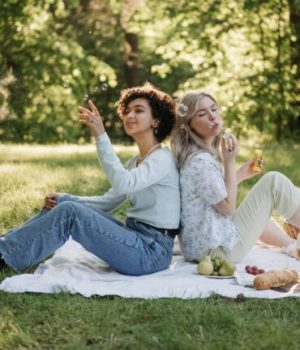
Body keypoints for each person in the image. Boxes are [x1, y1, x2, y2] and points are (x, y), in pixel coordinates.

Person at [0, 83, 180, 276]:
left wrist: (101, 137)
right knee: (62, 204)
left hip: (151, 252)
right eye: (127, 111)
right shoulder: (135, 162)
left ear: (156, 120)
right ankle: (5, 246)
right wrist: (65, 198)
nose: (129, 116)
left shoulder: (162, 158)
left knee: (71, 212)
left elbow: (123, 183)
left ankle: (5, 255)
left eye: (139, 110)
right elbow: (108, 202)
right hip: (136, 237)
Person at [171, 91, 300, 263]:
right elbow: (227, 207)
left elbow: (215, 196)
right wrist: (229, 162)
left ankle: (292, 246)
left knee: (260, 209)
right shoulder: (200, 162)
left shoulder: (198, 156)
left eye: (214, 109)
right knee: (274, 182)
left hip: (207, 247)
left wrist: (240, 174)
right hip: (218, 252)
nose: (211, 116)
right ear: (189, 125)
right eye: (202, 114)